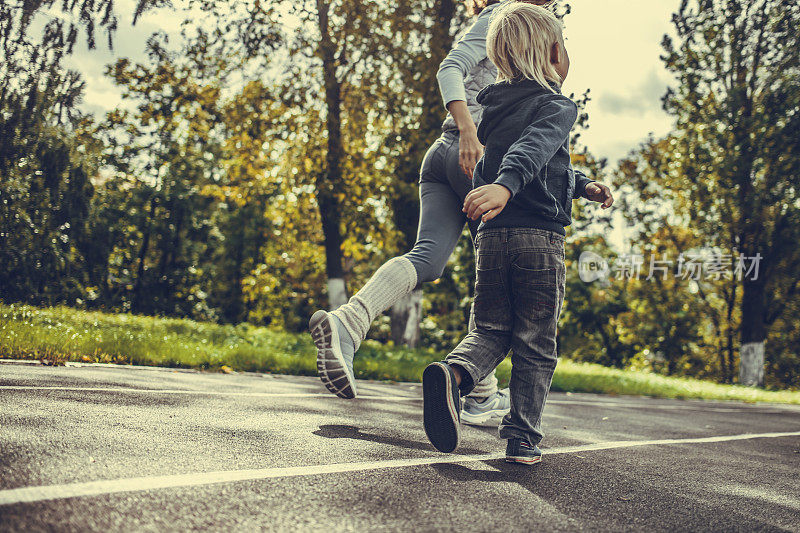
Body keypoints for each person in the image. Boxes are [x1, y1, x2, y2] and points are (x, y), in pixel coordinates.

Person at [308, 0, 612, 422]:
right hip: (475, 155)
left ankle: (349, 322)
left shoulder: (506, 22)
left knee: (430, 259)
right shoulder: (509, 19)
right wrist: (470, 132)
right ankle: (478, 390)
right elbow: (449, 68)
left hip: (442, 154)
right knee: (497, 278)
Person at [421, 1, 614, 464]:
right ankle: (523, 436)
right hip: (538, 241)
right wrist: (507, 186)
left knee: (491, 328)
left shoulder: (491, 104)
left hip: (492, 237)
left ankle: (455, 375)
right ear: (552, 55)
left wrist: (582, 185)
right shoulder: (557, 106)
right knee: (535, 340)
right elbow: (533, 150)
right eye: (564, 46)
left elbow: (546, 161)